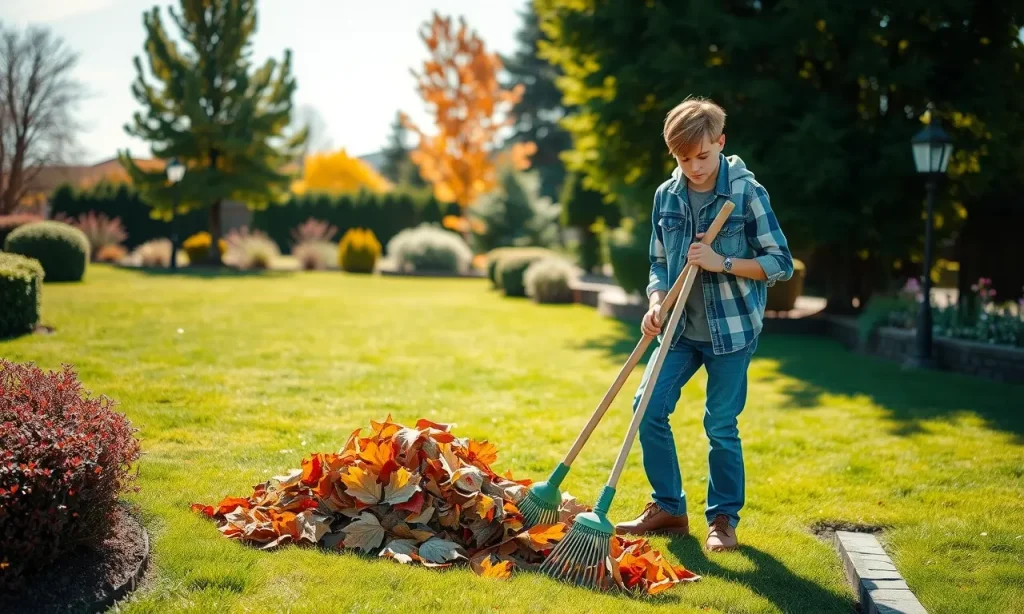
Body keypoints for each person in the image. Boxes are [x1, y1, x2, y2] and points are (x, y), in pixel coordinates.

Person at [614, 97, 793, 552]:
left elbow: (780, 263)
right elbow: (658, 261)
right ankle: (670, 508)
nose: (694, 167)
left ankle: (723, 519)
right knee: (646, 408)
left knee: (720, 424)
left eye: (703, 155)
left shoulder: (747, 193)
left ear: (720, 142)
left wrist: (722, 261)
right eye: (683, 158)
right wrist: (655, 302)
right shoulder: (666, 195)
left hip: (731, 331)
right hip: (677, 328)